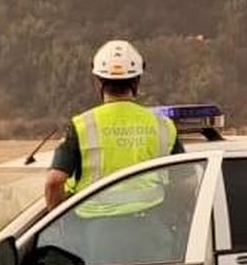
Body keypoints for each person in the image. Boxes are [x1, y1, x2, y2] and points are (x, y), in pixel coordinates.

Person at [44, 39, 180, 211]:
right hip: (151, 225)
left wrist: (59, 221)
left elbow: (54, 181)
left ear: (98, 82)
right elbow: (186, 180)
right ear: (136, 81)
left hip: (93, 230)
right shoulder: (163, 125)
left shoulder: (82, 125)